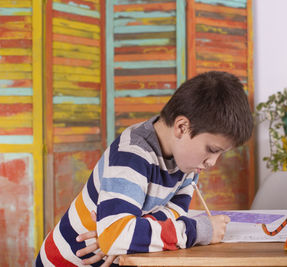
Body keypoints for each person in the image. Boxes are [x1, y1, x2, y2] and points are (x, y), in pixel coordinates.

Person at [36, 71, 254, 266]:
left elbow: (173, 213)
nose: (212, 163)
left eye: (220, 154)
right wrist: (198, 231)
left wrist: (127, 238)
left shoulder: (187, 162)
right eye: (211, 149)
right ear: (182, 127)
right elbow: (117, 236)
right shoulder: (132, 155)